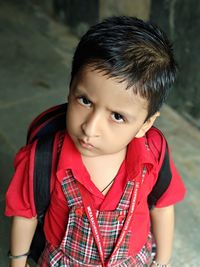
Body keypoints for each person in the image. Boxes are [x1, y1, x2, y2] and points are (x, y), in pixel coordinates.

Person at [5, 16, 186, 267]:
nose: (90, 128)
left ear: (145, 124)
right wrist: (18, 261)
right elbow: (26, 215)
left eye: (117, 116)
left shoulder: (152, 154)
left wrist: (163, 261)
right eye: (85, 101)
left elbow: (162, 207)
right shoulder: (44, 157)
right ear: (70, 89)